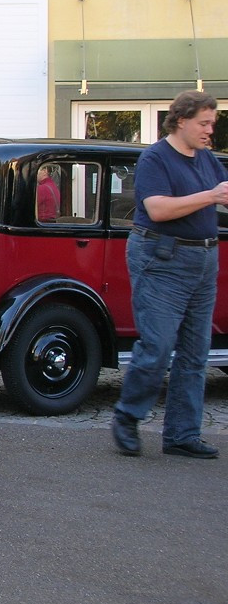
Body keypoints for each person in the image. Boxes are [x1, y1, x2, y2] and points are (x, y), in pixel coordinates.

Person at [111, 90, 228, 459]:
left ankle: (181, 434)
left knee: (197, 352)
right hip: (161, 258)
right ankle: (127, 417)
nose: (210, 130)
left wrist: (216, 196)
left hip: (203, 259)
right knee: (158, 346)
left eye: (213, 123)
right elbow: (157, 209)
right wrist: (211, 196)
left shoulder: (208, 160)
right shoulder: (155, 158)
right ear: (181, 120)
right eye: (204, 123)